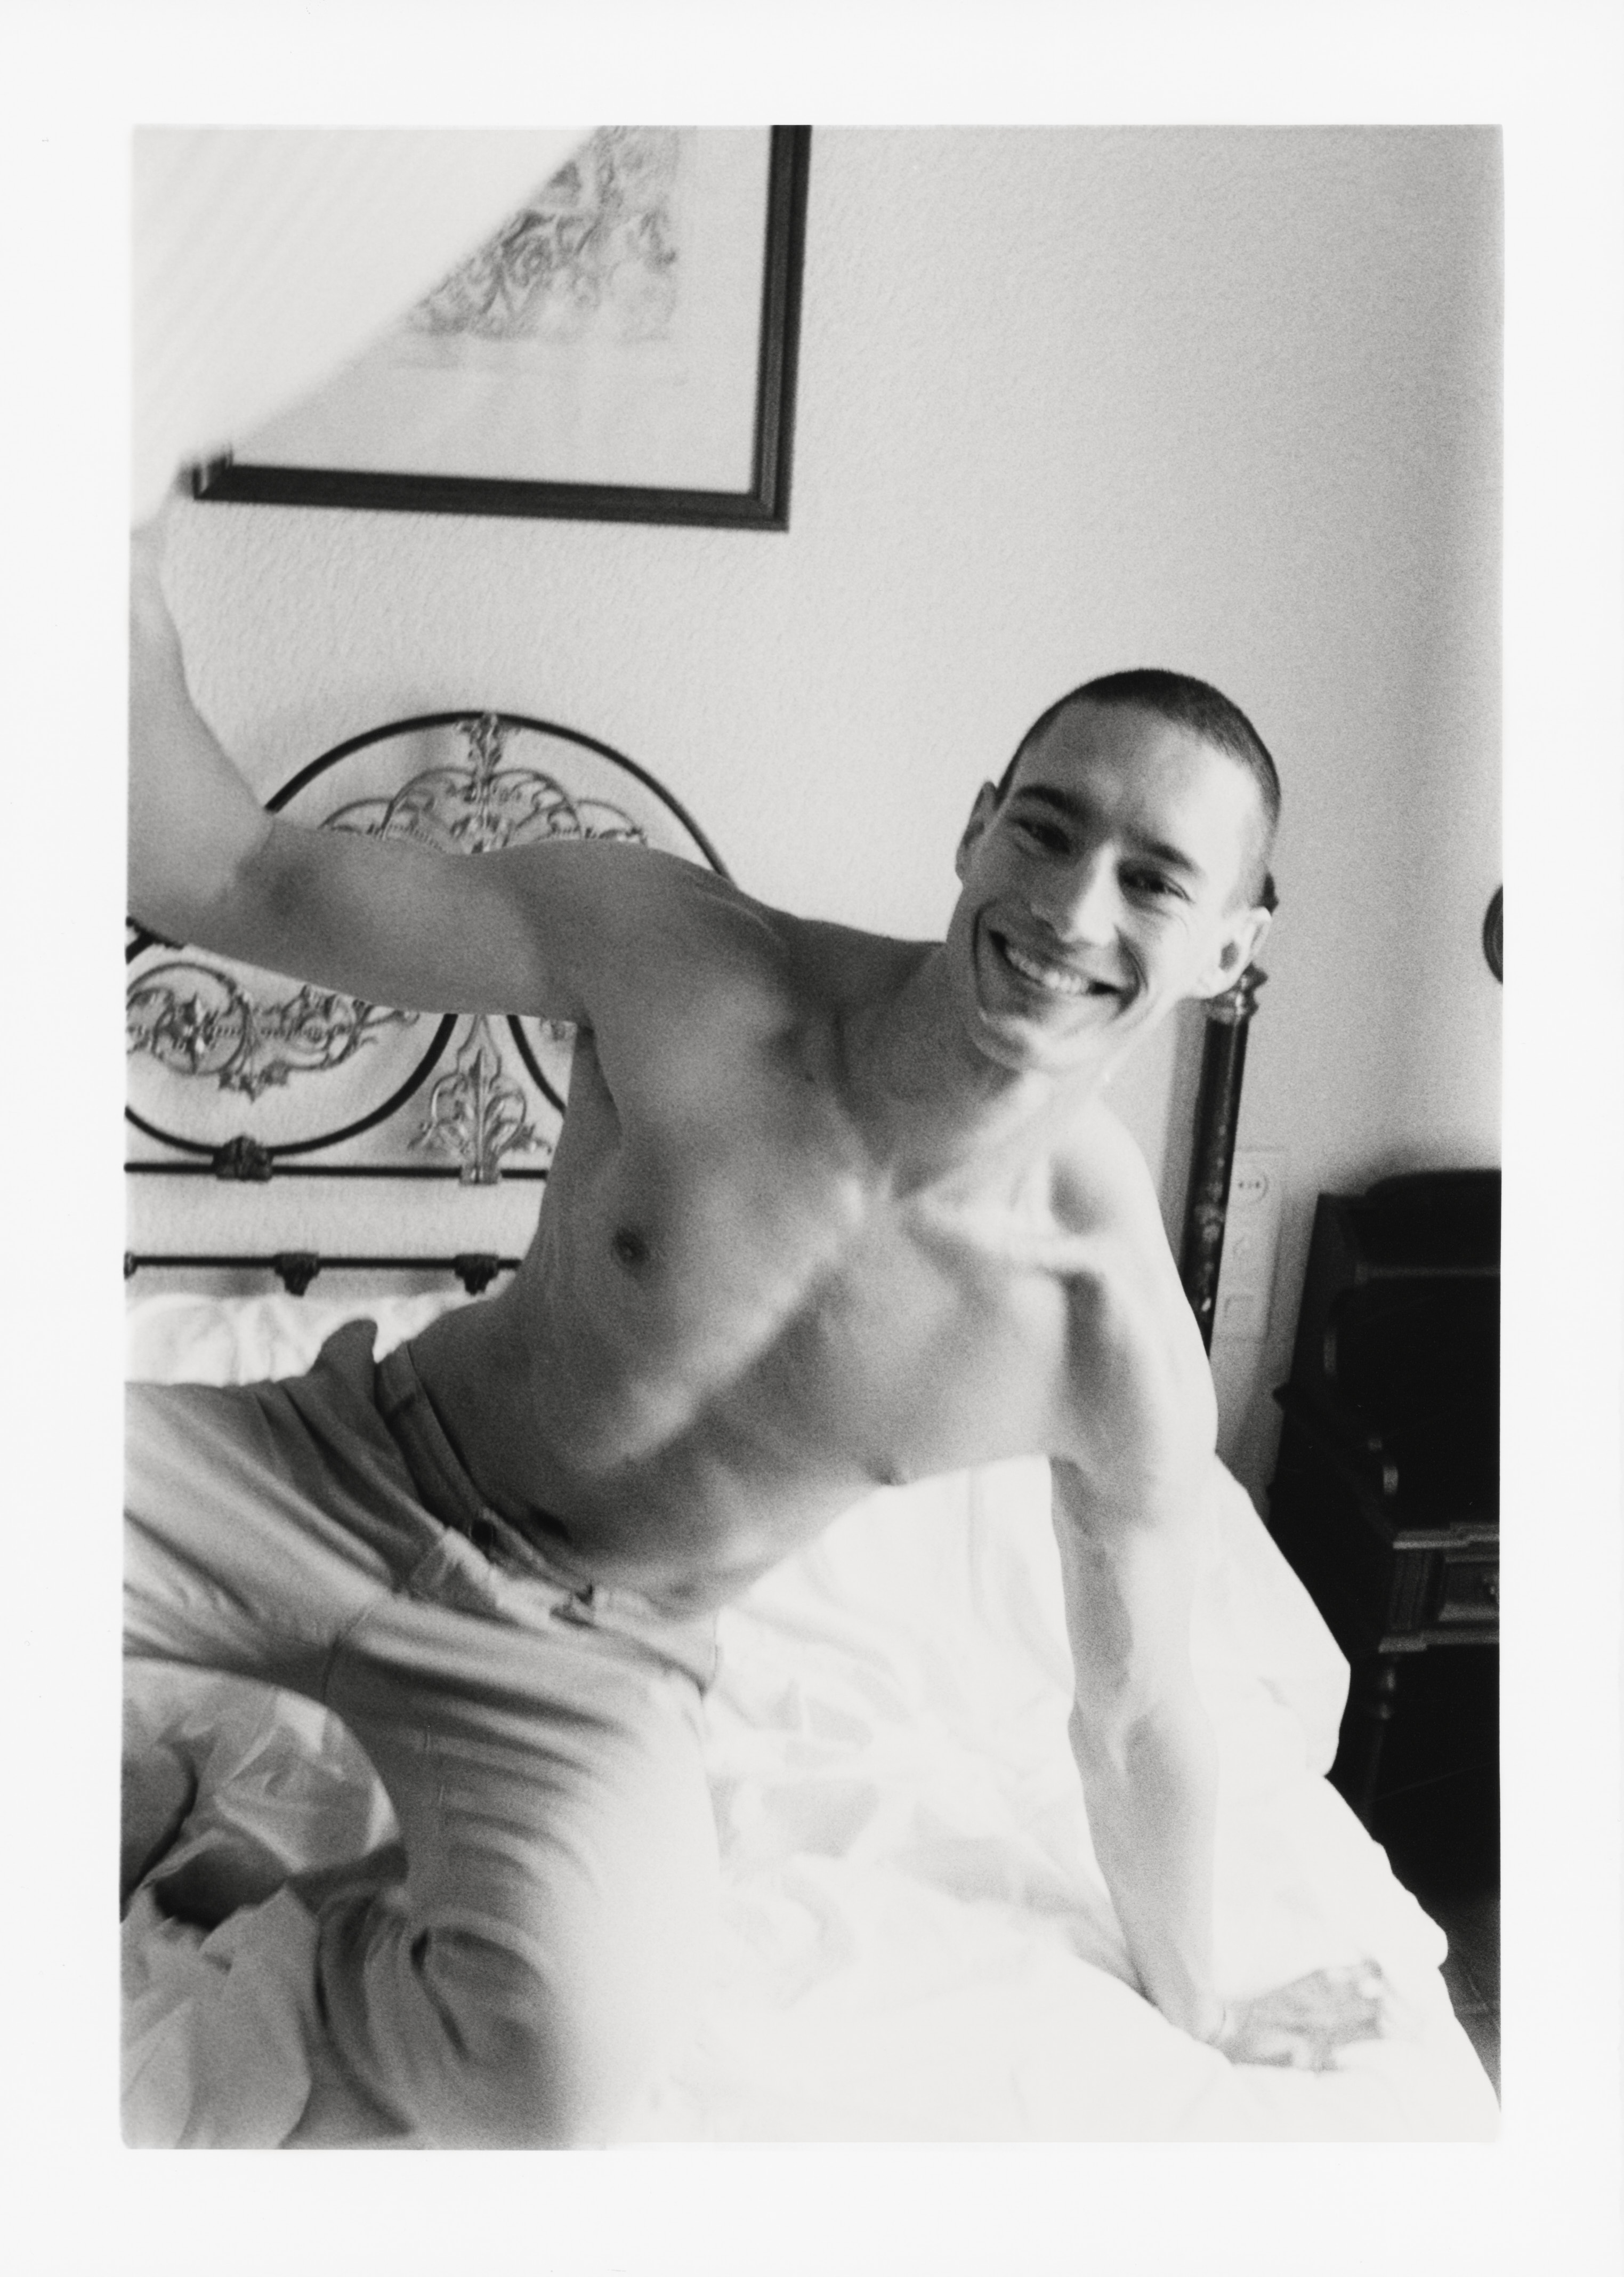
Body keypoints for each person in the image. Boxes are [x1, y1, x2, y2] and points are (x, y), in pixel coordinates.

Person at [126, 507, 1393, 2146]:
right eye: (1046, 829)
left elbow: (1140, 1714)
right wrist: (110, 550)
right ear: (976, 830)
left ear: (1232, 946)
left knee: (556, 2079)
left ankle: (300, 1904)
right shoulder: (683, 964)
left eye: (1155, 880)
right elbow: (226, 871)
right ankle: (165, 1790)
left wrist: (1202, 1999)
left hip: (587, 1651)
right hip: (323, 1466)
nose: (1076, 910)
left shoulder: (1108, 1336)